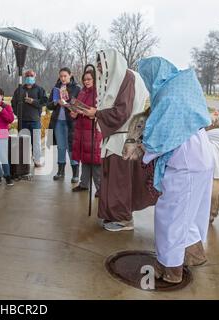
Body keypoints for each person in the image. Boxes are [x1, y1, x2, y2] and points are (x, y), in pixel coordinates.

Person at [138, 57, 214, 284]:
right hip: (201, 153)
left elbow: (160, 135)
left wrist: (144, 149)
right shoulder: (182, 85)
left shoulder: (168, 95)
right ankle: (194, 255)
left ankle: (171, 270)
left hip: (186, 161)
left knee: (172, 217)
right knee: (190, 214)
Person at [78, 49, 157, 232]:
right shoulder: (120, 78)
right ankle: (113, 215)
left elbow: (122, 111)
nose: (99, 68)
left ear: (111, 62)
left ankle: (124, 219)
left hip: (121, 138)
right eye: (97, 65)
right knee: (112, 180)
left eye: (101, 64)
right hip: (115, 137)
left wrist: (96, 113)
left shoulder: (126, 78)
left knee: (119, 181)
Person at [71, 68, 102, 195]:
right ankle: (84, 184)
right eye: (84, 79)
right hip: (81, 129)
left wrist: (95, 113)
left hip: (93, 129)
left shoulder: (99, 93)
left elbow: (102, 110)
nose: (86, 81)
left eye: (89, 79)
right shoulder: (82, 92)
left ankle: (100, 188)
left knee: (95, 160)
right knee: (85, 158)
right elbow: (78, 108)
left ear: (95, 79)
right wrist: (74, 113)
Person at [47, 67, 81, 182]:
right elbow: (48, 105)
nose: (63, 78)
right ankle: (60, 172)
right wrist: (56, 102)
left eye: (65, 76)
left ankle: (75, 173)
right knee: (61, 147)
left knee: (71, 147)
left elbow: (79, 105)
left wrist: (67, 102)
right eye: (61, 76)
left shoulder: (76, 88)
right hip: (58, 122)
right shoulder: (56, 88)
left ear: (70, 75)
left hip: (71, 122)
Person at [11, 70, 48, 167]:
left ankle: (37, 160)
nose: (29, 77)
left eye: (31, 75)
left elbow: (44, 102)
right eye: (27, 75)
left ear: (35, 76)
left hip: (35, 120)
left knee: (36, 142)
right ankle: (24, 161)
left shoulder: (39, 89)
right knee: (23, 142)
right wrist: (18, 114)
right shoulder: (19, 90)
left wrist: (33, 101)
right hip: (22, 121)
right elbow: (13, 103)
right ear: (24, 77)